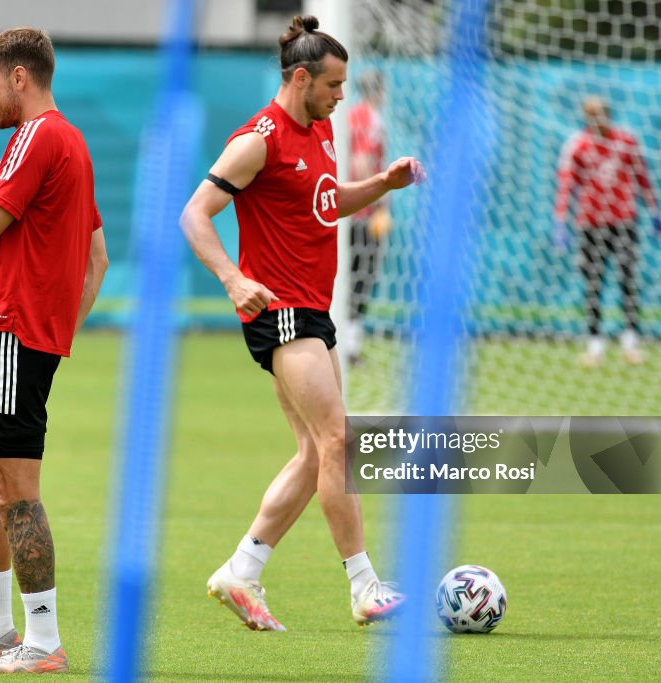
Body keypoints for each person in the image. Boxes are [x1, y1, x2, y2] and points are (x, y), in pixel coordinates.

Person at [180, 15, 427, 630]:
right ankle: (365, 587)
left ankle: (241, 571)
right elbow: (194, 214)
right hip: (281, 311)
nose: (342, 96)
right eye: (334, 85)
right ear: (300, 77)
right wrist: (235, 280)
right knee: (340, 443)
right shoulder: (257, 139)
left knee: (315, 452)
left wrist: (383, 184)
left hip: (310, 310)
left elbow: (326, 201)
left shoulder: (318, 132)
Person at [0, 27, 108, 673]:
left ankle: (43, 641)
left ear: (19, 78)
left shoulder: (38, 137)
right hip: (0, 334)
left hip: (10, 332)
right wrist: (59, 334)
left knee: (13, 489)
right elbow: (98, 256)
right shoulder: (61, 142)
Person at [553, 96, 661, 367]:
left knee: (627, 281)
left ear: (609, 115)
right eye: (592, 115)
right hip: (590, 223)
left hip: (623, 220)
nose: (597, 120)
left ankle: (630, 343)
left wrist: (654, 212)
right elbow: (566, 185)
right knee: (593, 284)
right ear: (586, 118)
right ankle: (595, 346)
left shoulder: (626, 141)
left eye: (601, 114)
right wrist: (560, 222)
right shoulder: (576, 145)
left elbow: (643, 177)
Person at [345, 71, 389, 366]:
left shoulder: (350, 115)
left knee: (347, 279)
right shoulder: (371, 119)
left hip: (343, 211)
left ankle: (345, 345)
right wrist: (376, 205)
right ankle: (349, 347)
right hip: (361, 213)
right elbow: (361, 161)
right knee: (362, 279)